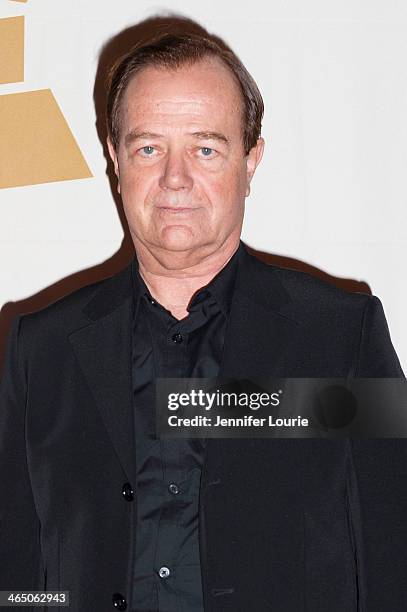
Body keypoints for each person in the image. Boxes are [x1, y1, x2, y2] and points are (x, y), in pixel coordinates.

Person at [0, 28, 405, 612]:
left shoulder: (342, 336)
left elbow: (393, 551)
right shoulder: (41, 349)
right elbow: (16, 569)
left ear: (251, 159)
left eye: (206, 148)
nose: (175, 179)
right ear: (115, 158)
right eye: (148, 148)